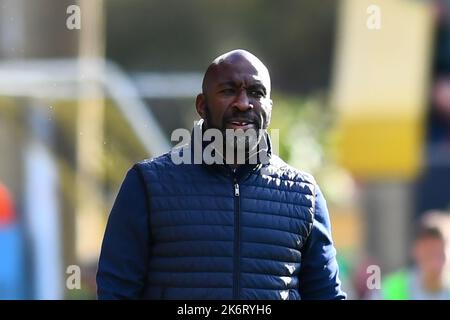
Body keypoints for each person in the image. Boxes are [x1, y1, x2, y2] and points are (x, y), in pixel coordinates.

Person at [96, 49, 346, 300]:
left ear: (269, 107)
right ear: (202, 106)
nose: (243, 103)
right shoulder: (147, 184)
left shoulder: (304, 194)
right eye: (228, 91)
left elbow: (326, 295)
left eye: (256, 93)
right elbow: (116, 292)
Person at [380, 211, 450, 300]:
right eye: (427, 248)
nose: (432, 253)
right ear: (415, 250)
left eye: (438, 248)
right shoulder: (391, 288)